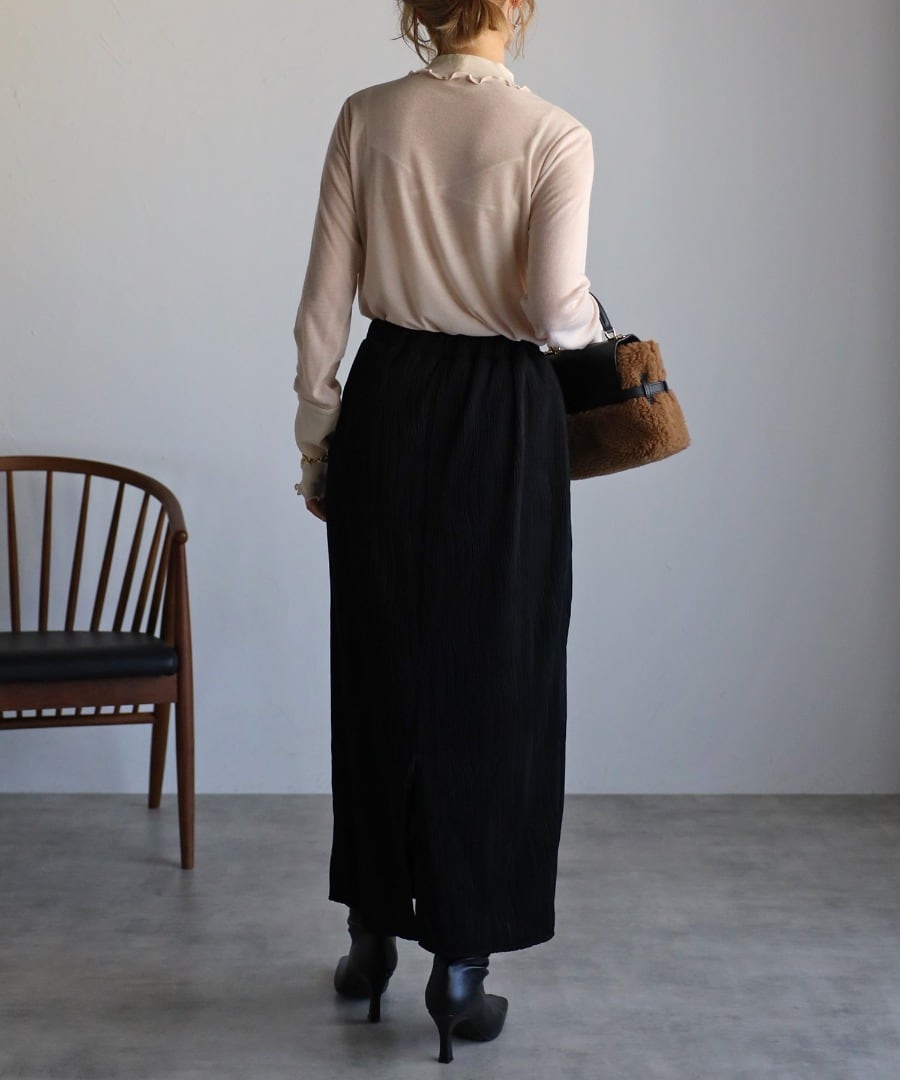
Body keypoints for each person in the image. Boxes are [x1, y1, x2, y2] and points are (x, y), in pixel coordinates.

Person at [291, 0, 606, 1064]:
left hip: (390, 399)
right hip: (505, 417)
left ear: (420, 10)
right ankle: (461, 967)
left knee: (378, 666)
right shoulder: (555, 134)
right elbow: (556, 312)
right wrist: (600, 326)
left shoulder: (367, 116)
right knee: (499, 676)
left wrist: (319, 444)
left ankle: (370, 936)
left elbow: (323, 307)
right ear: (518, 7)